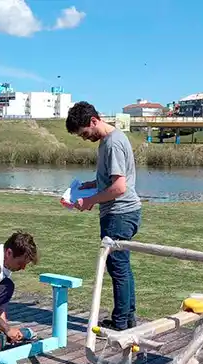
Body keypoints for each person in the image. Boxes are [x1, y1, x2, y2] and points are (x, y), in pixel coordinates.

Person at [66, 101, 142, 331]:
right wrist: (92, 184)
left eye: (84, 133)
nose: (84, 138)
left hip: (119, 214)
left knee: (118, 268)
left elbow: (119, 188)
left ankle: (121, 323)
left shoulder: (112, 144)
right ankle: (126, 318)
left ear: (93, 121)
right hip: (120, 213)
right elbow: (112, 180)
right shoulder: (107, 142)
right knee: (120, 267)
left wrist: (89, 201)